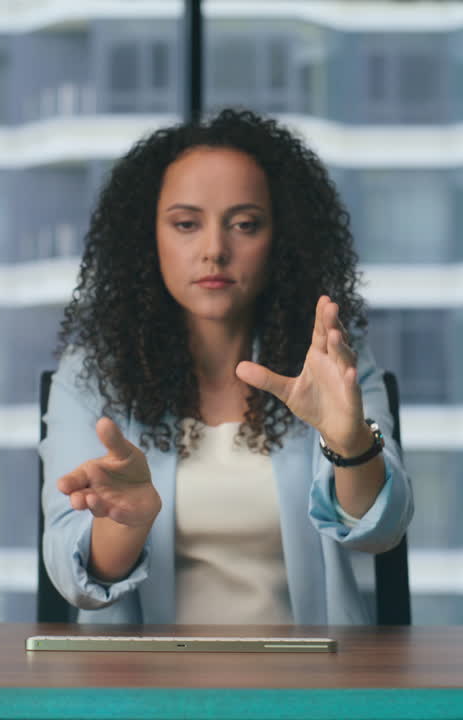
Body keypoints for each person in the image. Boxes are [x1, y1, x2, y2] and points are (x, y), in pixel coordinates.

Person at [40, 108, 412, 625]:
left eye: (245, 224)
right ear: (147, 237)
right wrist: (125, 522)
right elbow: (72, 573)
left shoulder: (329, 360)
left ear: (282, 239)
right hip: (144, 677)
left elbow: (380, 530)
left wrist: (350, 445)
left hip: (312, 673)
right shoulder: (91, 375)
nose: (215, 250)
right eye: (186, 224)